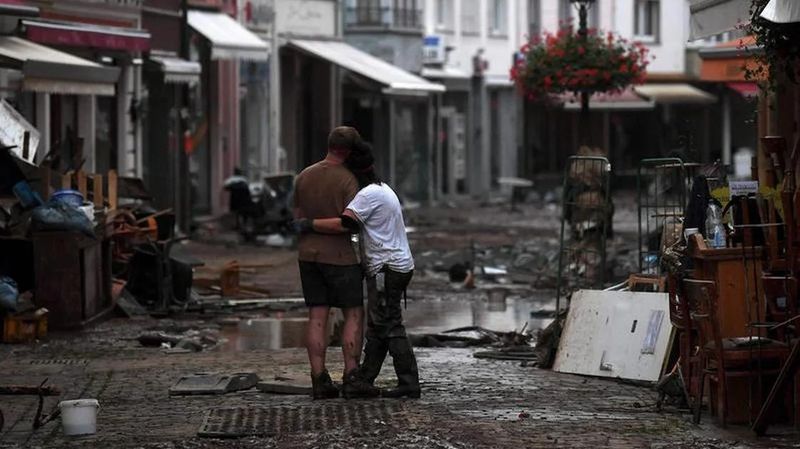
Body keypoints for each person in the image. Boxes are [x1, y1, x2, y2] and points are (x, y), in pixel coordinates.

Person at [303, 140, 420, 399]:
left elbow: (346, 223)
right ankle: (363, 379)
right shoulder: (383, 189)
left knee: (390, 326)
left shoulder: (367, 195)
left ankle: (409, 383)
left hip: (385, 269)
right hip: (396, 266)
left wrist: (308, 224)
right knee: (378, 327)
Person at [292, 126, 376, 400]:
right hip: (340, 257)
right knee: (352, 313)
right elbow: (349, 223)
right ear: (349, 151)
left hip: (308, 255)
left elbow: (297, 217)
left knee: (317, 315)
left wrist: (310, 226)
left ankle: (319, 378)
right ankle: (351, 375)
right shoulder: (348, 180)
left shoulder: (304, 175)